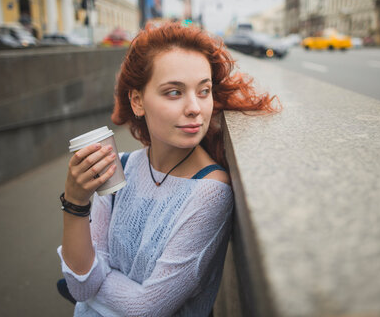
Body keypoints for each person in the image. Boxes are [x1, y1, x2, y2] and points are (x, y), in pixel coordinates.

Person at [57, 22, 279, 316]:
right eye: (174, 92)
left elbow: (145, 309)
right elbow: (80, 288)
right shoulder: (120, 165)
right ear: (137, 101)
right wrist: (75, 203)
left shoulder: (211, 192)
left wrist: (99, 279)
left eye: (204, 90)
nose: (195, 108)